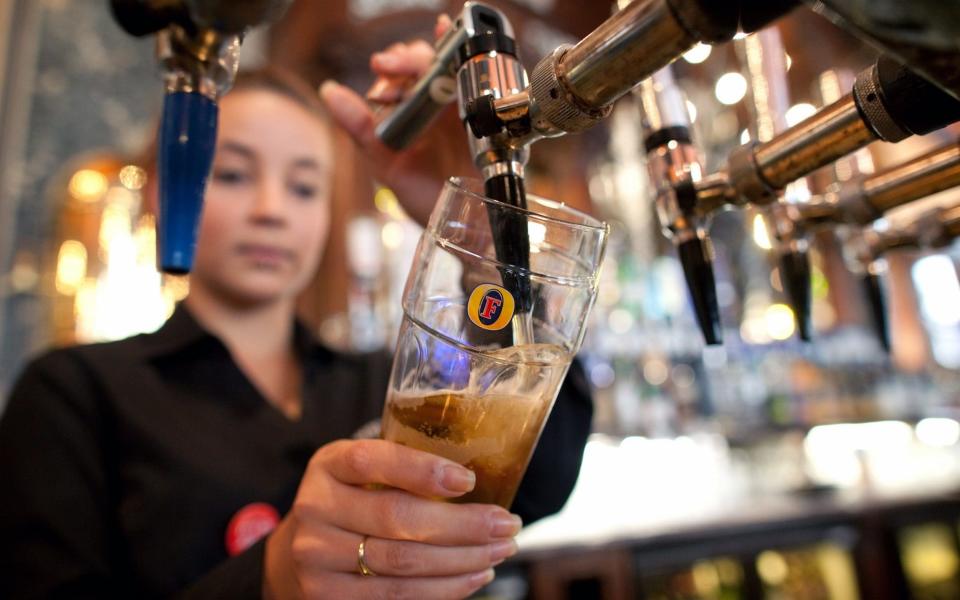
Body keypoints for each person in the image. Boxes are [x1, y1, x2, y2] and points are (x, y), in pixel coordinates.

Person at [0, 24, 593, 600]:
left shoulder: (378, 385)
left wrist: (474, 232)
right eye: (233, 174)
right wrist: (274, 576)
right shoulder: (73, 395)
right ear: (163, 190)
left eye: (304, 187)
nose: (272, 210)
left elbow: (539, 477)